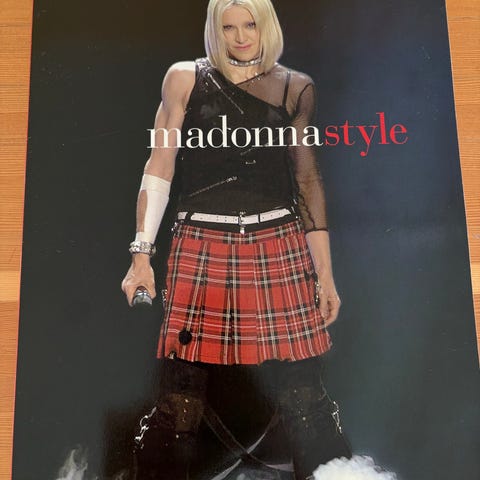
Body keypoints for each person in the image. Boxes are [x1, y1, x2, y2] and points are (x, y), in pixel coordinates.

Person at [122, 0, 351, 478]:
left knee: (306, 403)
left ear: (267, 26)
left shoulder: (295, 87)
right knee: (178, 405)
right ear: (215, 29)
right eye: (228, 27)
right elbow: (159, 165)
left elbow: (307, 181)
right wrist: (141, 254)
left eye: (250, 25)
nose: (241, 37)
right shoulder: (184, 78)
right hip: (201, 241)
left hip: (278, 242)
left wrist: (326, 276)